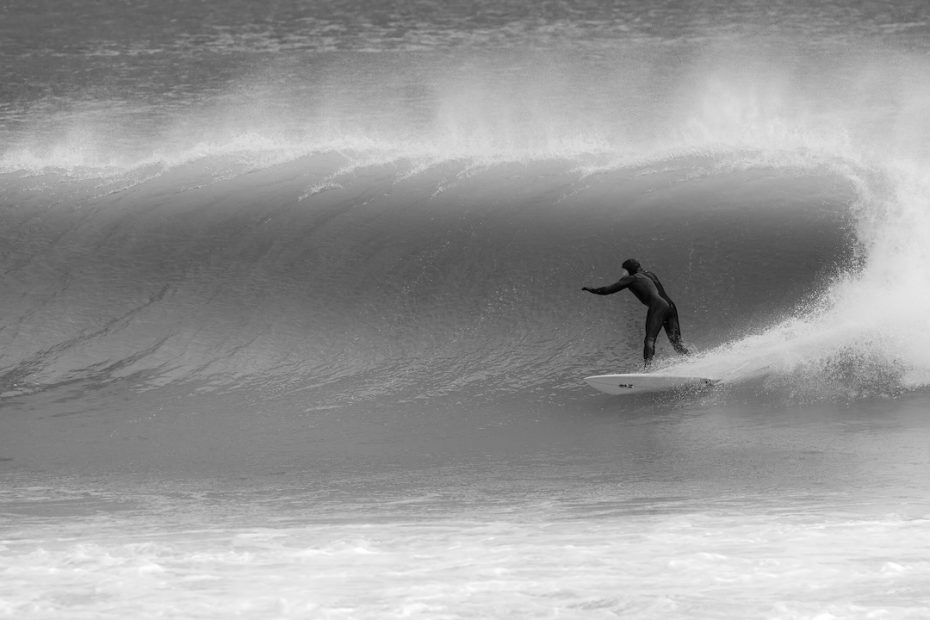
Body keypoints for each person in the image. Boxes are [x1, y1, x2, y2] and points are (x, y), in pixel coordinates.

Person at [582, 258, 690, 368]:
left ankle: (647, 369)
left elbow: (607, 290)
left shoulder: (631, 279)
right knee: (677, 343)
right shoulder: (650, 274)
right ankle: (692, 362)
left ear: (630, 269)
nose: (623, 273)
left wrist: (592, 290)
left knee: (650, 339)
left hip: (658, 307)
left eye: (624, 270)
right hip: (671, 306)